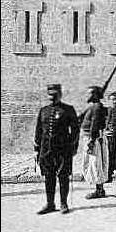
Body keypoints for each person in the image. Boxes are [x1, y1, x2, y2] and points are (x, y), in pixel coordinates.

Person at [34, 84, 79, 214]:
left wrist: (72, 146)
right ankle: (50, 204)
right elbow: (38, 131)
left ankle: (63, 203)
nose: (52, 97)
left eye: (55, 95)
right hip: (46, 150)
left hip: (63, 150)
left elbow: (75, 130)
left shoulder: (68, 110)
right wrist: (36, 149)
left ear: (60, 94)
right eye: (50, 95)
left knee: (63, 176)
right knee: (48, 177)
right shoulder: (43, 110)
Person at [79, 86, 109, 199]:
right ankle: (99, 188)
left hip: (93, 139)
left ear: (95, 95)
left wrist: (91, 141)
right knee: (93, 163)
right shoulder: (92, 107)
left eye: (90, 93)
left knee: (95, 163)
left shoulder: (97, 107)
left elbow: (95, 125)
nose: (87, 95)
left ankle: (99, 190)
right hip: (90, 138)